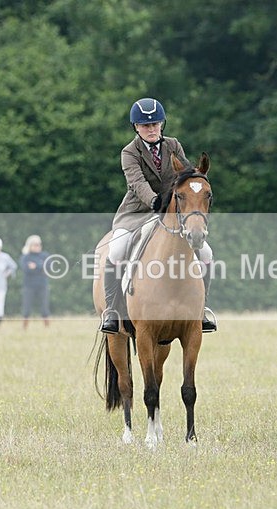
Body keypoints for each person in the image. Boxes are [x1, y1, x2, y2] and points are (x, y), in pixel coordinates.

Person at [100, 97, 217, 334]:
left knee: (206, 252)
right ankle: (112, 311)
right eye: (145, 125)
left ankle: (201, 308)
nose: (151, 129)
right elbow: (136, 182)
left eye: (155, 124)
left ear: (162, 124)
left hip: (171, 214)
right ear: (136, 127)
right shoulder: (129, 152)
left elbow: (184, 174)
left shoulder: (173, 145)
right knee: (117, 249)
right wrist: (154, 200)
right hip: (136, 213)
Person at [18, 234, 50, 329]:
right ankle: (24, 327)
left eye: (39, 244)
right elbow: (26, 269)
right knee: (26, 308)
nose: (38, 246)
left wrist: (36, 266)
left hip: (42, 285)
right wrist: (40, 266)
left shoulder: (45, 255)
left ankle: (47, 326)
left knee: (44, 308)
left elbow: (49, 266)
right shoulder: (25, 257)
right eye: (35, 245)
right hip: (29, 286)